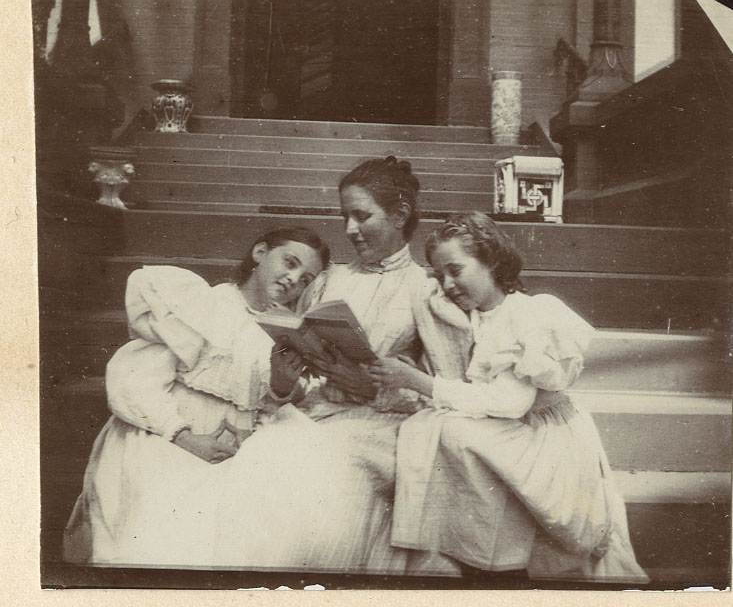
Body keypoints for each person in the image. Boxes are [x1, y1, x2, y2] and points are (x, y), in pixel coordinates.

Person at [367, 211, 649, 583]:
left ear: (492, 262)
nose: (447, 284)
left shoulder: (528, 315)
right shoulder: (472, 317)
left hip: (542, 432)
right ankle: (477, 560)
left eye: (456, 270)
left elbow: (509, 403)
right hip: (508, 428)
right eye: (439, 275)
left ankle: (504, 572)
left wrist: (421, 383)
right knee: (431, 431)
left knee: (450, 433)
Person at [211, 156, 461, 573]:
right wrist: (289, 369)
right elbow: (295, 347)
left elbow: (445, 388)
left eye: (362, 216)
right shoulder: (329, 280)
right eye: (345, 216)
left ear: (400, 215)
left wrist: (372, 387)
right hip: (316, 412)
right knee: (266, 457)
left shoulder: (425, 289)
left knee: (320, 478)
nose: (349, 229)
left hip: (378, 428)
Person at [62, 227, 330, 567]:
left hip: (238, 445)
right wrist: (183, 436)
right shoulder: (204, 305)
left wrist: (280, 383)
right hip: (169, 435)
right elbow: (136, 379)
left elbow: (263, 403)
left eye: (306, 279)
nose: (293, 279)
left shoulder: (283, 331)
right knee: (172, 529)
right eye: (289, 263)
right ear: (260, 253)